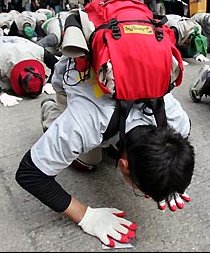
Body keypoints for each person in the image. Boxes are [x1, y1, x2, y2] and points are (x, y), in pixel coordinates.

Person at [15, 48, 195, 247]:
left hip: (118, 84)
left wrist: (169, 181)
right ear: (123, 164)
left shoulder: (175, 120)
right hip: (73, 82)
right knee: (88, 162)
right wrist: (86, 217)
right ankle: (51, 112)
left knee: (102, 142)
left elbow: (175, 147)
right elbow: (29, 174)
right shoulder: (86, 122)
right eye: (141, 192)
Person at [0, 36, 58, 107]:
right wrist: (0, 95)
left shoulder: (39, 50)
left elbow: (58, 66)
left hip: (21, 42)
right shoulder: (0, 57)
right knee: (5, 86)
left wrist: (50, 82)